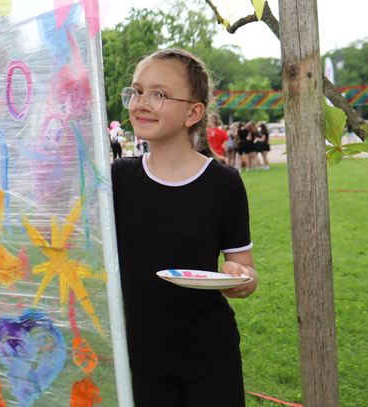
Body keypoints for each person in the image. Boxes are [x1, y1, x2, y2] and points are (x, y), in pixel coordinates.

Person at [111, 48, 258, 407]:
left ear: (193, 113)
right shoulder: (117, 178)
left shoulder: (223, 184)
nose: (142, 103)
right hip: (142, 356)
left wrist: (240, 277)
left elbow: (246, 271)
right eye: (137, 91)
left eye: (159, 94)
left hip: (209, 355)